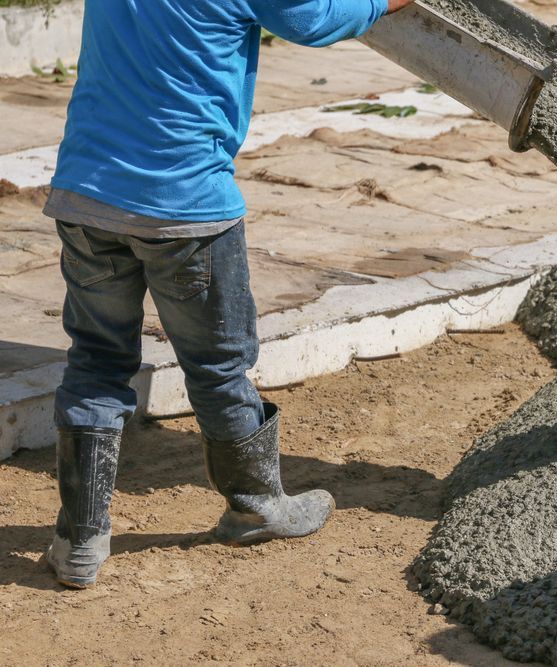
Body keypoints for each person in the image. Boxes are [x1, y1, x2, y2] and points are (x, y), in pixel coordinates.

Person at [42, 0, 414, 589]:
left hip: (85, 195)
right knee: (217, 364)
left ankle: (80, 541)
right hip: (186, 208)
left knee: (95, 361)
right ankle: (256, 506)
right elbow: (313, 19)